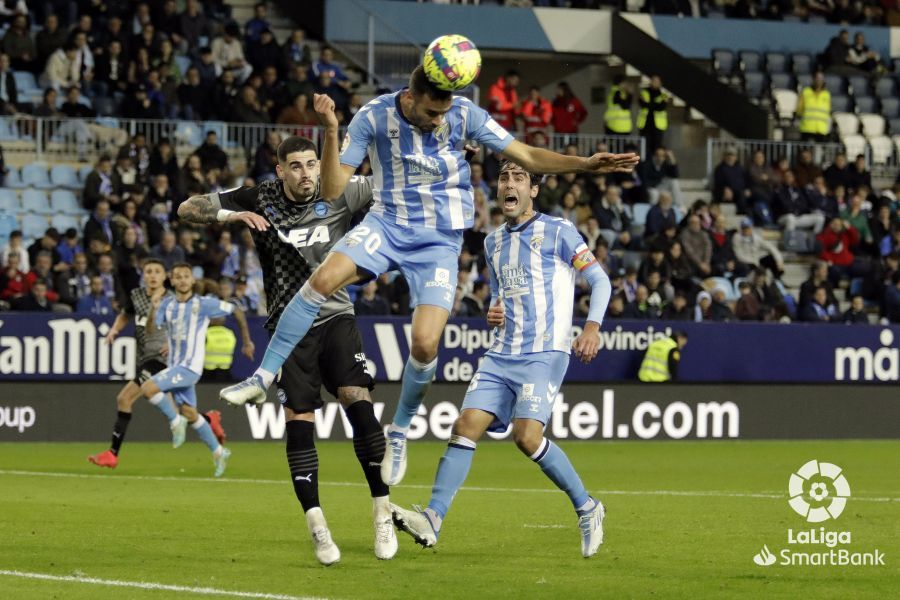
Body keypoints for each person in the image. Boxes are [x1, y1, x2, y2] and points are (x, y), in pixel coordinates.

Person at [218, 67, 638, 489]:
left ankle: (398, 431)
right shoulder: (373, 115)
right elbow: (331, 191)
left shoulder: (465, 113)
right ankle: (261, 377)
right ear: (412, 98)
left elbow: (526, 154)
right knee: (321, 281)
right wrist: (330, 130)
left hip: (438, 241)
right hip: (387, 224)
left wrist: (584, 164)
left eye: (445, 111)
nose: (441, 120)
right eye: (434, 111)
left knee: (424, 343)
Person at [177, 136, 398, 564]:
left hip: (335, 317)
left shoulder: (342, 189)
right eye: (295, 166)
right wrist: (231, 213)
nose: (306, 174)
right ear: (280, 171)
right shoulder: (260, 196)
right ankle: (317, 525)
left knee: (359, 402)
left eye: (312, 164)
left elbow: (400, 186)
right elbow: (187, 209)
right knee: (300, 420)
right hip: (287, 327)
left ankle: (382, 512)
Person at [390, 159, 611, 557]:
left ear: (534, 190)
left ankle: (588, 507)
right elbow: (501, 293)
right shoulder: (493, 243)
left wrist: (592, 326)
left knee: (526, 437)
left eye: (519, 177)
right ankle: (433, 519)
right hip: (502, 353)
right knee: (465, 425)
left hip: (544, 351)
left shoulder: (559, 231)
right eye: (504, 177)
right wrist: (494, 308)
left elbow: (599, 280)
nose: (509, 184)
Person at [87, 259, 228, 468]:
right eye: (148, 272)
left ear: (165, 277)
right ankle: (209, 421)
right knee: (187, 412)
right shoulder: (137, 296)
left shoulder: (173, 299)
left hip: (162, 360)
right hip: (145, 357)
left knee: (125, 398)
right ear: (143, 275)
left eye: (157, 272)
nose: (152, 275)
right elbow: (126, 315)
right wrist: (115, 330)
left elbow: (190, 326)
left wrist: (175, 345)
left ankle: (113, 453)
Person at [141, 263, 251, 477]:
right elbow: (151, 330)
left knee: (148, 389)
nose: (182, 280)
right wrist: (154, 308)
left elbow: (236, 310)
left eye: (186, 276)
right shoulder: (167, 305)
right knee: (190, 413)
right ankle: (219, 451)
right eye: (178, 277)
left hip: (189, 367)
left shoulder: (204, 304)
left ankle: (175, 422)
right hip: (175, 366)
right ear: (172, 281)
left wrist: (247, 341)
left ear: (192, 281)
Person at [797, 72, 831, 143]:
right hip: (807, 128)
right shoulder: (805, 92)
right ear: (813, 79)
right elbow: (799, 110)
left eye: (821, 79)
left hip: (821, 129)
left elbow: (828, 111)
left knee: (819, 152)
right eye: (817, 78)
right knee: (806, 151)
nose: (819, 81)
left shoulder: (826, 94)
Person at [638, 75, 669, 154]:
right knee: (645, 147)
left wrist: (650, 104)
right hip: (645, 125)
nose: (655, 83)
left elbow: (661, 107)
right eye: (653, 81)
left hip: (658, 126)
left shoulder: (663, 94)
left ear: (660, 83)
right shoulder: (644, 92)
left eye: (657, 81)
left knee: (657, 148)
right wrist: (654, 104)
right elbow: (643, 104)